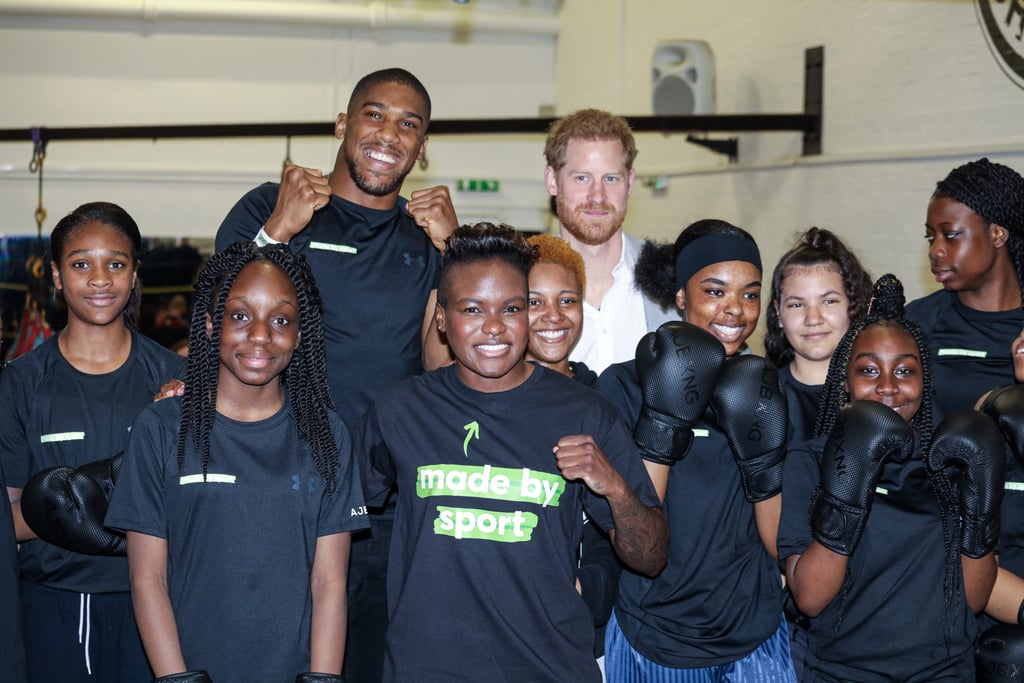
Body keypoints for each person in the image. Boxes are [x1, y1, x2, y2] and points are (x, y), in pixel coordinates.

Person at [215, 67, 458, 682]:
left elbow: (464, 354)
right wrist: (278, 230)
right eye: (374, 115)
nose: (389, 134)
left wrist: (456, 251)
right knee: (260, 654)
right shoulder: (270, 208)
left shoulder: (427, 236)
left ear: (422, 147)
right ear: (343, 124)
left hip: (383, 502)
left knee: (365, 664)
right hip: (272, 485)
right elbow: (215, 316)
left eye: (410, 124)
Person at [354, 223, 668, 682]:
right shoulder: (400, 410)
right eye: (473, 309)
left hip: (550, 669)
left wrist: (616, 489)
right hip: (427, 668)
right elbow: (337, 527)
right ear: (442, 318)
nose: (495, 326)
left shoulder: (586, 412)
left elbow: (651, 558)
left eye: (512, 308)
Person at [106, 242, 368, 683]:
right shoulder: (161, 427)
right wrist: (178, 679)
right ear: (210, 325)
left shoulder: (327, 434)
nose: (261, 335)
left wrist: (322, 679)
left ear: (300, 335)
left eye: (281, 320)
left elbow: (329, 583)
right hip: (190, 668)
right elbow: (146, 576)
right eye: (240, 315)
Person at [598, 219, 796, 681]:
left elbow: (779, 544)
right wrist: (665, 421)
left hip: (754, 630)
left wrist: (761, 456)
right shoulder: (625, 385)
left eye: (750, 294)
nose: (735, 310)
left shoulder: (772, 390)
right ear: (681, 296)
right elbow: (636, 526)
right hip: (654, 631)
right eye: (715, 291)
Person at [780, 274, 1001, 681]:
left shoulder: (950, 460)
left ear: (924, 381)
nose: (888, 387)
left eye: (904, 372)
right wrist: (848, 481)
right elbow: (809, 599)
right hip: (843, 673)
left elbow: (972, 600)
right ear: (845, 381)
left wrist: (983, 501)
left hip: (944, 673)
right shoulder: (809, 461)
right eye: (868, 370)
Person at [0, 201, 184, 682]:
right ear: (57, 276)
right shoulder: (20, 383)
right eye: (81, 264)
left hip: (157, 599)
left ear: (135, 273)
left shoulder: (177, 379)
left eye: (116, 264)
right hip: (50, 603)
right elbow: (9, 518)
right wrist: (81, 506)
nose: (100, 279)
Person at [525, 233, 619, 673]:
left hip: (580, 637)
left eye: (567, 300)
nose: (552, 317)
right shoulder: (483, 401)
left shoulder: (605, 400)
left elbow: (619, 519)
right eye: (533, 301)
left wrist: (587, 588)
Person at [543, 108, 675, 374]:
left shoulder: (676, 278)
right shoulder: (519, 283)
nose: (597, 196)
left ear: (630, 182)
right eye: (582, 178)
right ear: (552, 181)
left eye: (611, 178)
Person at [905, 157, 1024, 418]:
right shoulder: (917, 323)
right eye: (930, 237)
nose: (935, 251)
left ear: (997, 235)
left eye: (950, 235)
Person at [764, 227, 872, 444]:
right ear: (778, 312)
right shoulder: (761, 398)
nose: (813, 318)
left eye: (829, 301)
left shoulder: (878, 394)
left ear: (853, 305)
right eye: (796, 304)